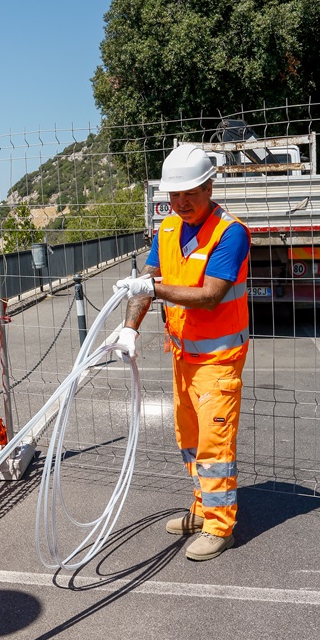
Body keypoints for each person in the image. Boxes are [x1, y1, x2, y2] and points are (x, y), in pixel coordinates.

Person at [115, 143, 250, 561]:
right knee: (189, 439)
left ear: (210, 186)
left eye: (190, 192)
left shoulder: (231, 233)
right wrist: (128, 329)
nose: (181, 202)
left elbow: (210, 296)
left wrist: (151, 288)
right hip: (182, 358)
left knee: (213, 444)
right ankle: (202, 507)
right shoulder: (168, 229)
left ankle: (220, 526)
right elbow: (149, 278)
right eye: (174, 195)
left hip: (218, 361)